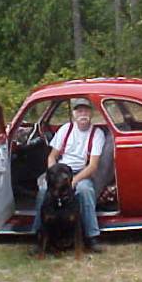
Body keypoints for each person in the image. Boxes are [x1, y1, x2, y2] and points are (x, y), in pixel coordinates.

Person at [31, 98, 106, 253]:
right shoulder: (65, 129)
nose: (83, 114)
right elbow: (52, 156)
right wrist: (53, 176)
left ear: (91, 113)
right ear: (73, 114)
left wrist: (74, 181)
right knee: (44, 191)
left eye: (86, 111)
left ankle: (92, 237)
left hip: (81, 173)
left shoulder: (97, 134)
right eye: (79, 111)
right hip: (60, 171)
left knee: (85, 191)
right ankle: (37, 236)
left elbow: (93, 165)